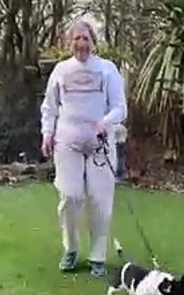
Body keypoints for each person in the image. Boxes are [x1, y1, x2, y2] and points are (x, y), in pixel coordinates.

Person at [40, 21, 128, 277]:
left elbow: (120, 107)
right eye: (77, 38)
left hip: (100, 142)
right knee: (70, 197)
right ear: (70, 43)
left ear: (93, 42)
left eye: (86, 39)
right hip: (68, 141)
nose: (82, 44)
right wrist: (47, 133)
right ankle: (70, 249)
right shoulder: (60, 70)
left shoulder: (107, 69)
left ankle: (97, 256)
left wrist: (106, 122)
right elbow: (50, 107)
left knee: (100, 201)